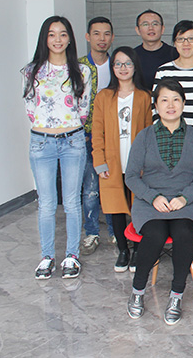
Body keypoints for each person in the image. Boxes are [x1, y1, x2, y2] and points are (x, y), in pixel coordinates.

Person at [125, 78, 193, 325]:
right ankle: (137, 291)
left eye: (176, 99)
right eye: (164, 100)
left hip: (185, 203)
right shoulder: (144, 136)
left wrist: (185, 197)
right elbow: (131, 176)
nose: (170, 105)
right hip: (149, 203)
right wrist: (153, 197)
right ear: (156, 105)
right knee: (155, 235)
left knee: (184, 234)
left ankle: (176, 295)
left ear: (184, 103)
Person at [22, 16, 91, 279]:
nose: (58, 39)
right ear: (45, 38)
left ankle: (72, 256)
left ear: (70, 38)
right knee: (47, 203)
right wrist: (48, 127)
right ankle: (47, 257)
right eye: (52, 34)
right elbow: (30, 108)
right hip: (42, 142)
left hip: (73, 140)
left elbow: (83, 109)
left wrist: (67, 127)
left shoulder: (81, 71)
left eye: (63, 34)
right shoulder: (31, 71)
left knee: (72, 202)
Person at [91, 47, 153, 272]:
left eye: (127, 63)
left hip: (137, 163)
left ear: (135, 67)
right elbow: (97, 131)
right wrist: (99, 161)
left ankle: (138, 250)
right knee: (115, 207)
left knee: (139, 206)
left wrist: (147, 163)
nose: (122, 68)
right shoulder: (104, 97)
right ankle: (123, 250)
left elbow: (149, 133)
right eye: (118, 63)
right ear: (112, 68)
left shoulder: (144, 96)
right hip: (111, 162)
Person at [79, 16, 115, 256]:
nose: (102, 39)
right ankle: (91, 232)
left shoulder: (118, 65)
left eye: (106, 34)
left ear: (112, 37)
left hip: (112, 136)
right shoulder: (78, 67)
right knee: (90, 188)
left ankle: (115, 231)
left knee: (112, 185)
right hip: (85, 136)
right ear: (88, 37)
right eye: (96, 33)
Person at [134, 9, 177, 89]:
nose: (151, 28)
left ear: (162, 29)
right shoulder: (132, 56)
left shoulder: (175, 54)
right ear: (138, 30)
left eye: (155, 24)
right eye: (145, 24)